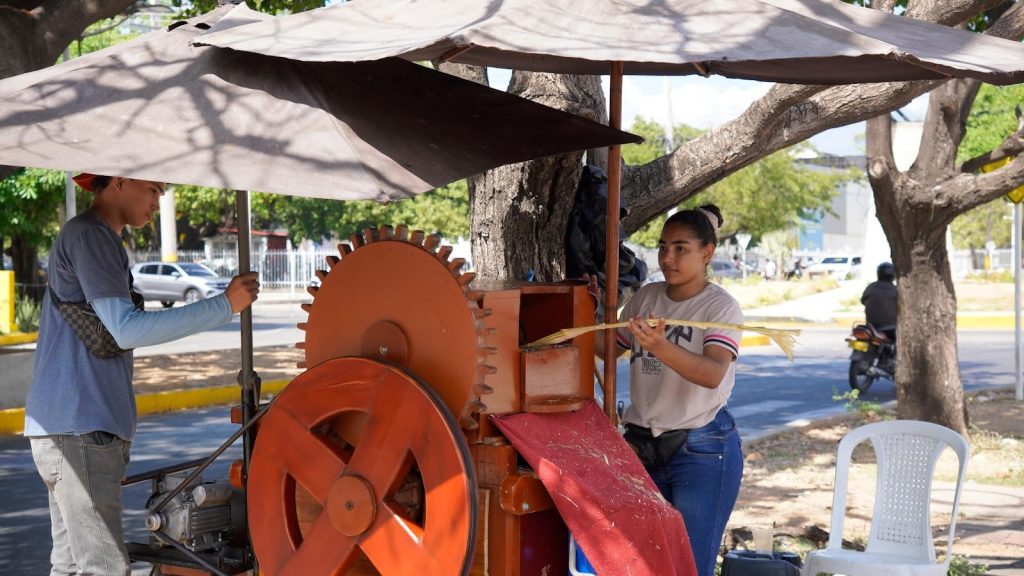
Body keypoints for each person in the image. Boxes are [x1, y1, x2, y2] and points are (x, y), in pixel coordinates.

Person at [24, 174, 260, 576]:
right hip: (81, 427)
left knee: (69, 566)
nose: (157, 202)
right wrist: (223, 306)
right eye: (153, 190)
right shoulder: (90, 236)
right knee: (104, 568)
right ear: (119, 180)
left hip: (71, 427)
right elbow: (126, 328)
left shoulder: (97, 239)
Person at [597, 204, 744, 576]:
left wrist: (661, 345)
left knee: (689, 565)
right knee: (644, 562)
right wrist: (584, 316)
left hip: (702, 449)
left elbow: (712, 373)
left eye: (681, 248)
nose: (668, 257)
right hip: (642, 446)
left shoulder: (719, 307)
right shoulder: (647, 297)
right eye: (663, 247)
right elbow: (609, 348)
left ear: (707, 253)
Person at [861, 261, 897, 341]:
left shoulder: (871, 287)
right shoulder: (895, 290)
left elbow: (863, 301)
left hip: (871, 326)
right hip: (890, 327)